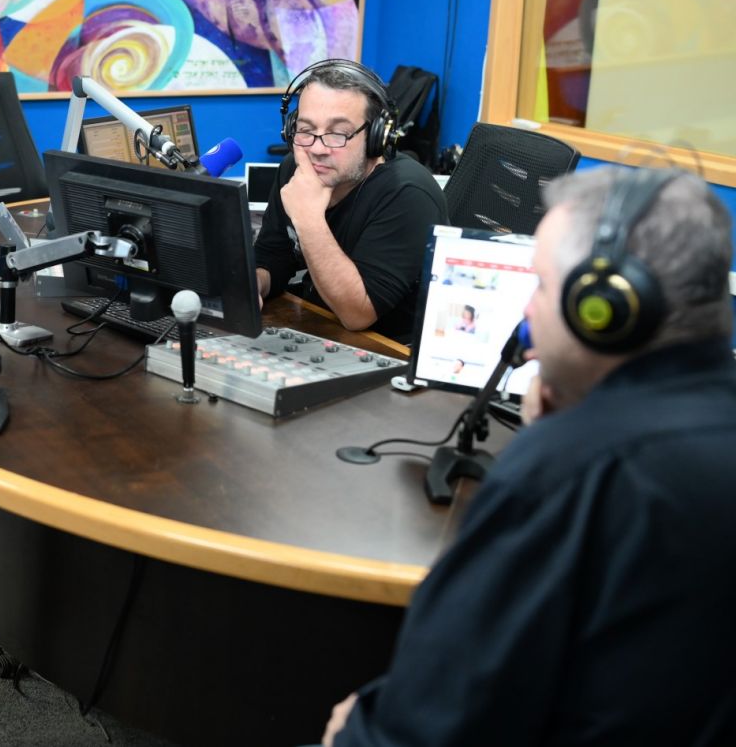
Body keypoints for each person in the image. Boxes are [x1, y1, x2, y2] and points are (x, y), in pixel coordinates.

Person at [322, 166, 736, 746]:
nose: (527, 313)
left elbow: (427, 724)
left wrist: (351, 732)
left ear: (604, 309)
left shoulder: (566, 471)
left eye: (540, 285)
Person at [254, 60, 447, 343]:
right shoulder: (295, 170)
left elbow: (357, 314)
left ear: (377, 136)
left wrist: (308, 218)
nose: (317, 148)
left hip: (388, 348)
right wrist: (254, 283)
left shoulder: (408, 193)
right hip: (318, 325)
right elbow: (273, 257)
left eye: (338, 134)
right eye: (306, 130)